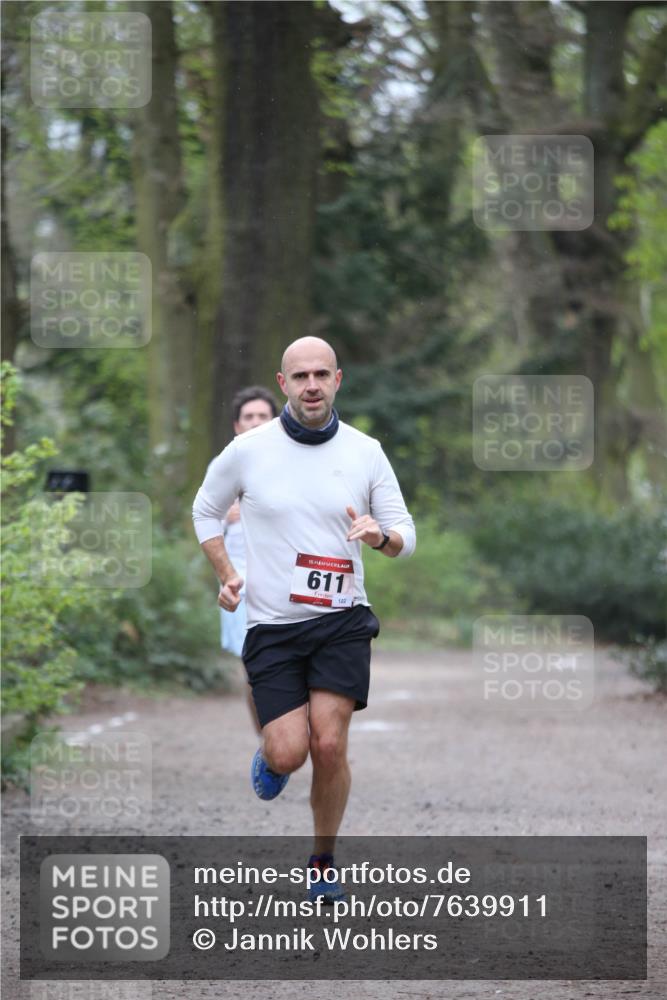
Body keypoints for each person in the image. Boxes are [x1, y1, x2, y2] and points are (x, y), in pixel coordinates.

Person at [192, 337, 415, 902]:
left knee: (330, 744)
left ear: (338, 379)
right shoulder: (249, 450)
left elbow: (405, 534)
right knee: (289, 751)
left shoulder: (366, 450)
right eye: (300, 376)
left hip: (342, 619)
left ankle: (322, 861)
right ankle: (271, 754)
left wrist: (380, 536)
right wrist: (226, 573)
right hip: (273, 625)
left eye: (321, 374)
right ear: (283, 382)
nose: (311, 385)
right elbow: (205, 509)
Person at [219, 387, 279, 733]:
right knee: (255, 668)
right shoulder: (224, 467)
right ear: (237, 426)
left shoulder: (294, 462)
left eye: (263, 416)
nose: (256, 422)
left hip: (285, 580)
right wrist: (224, 518)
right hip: (239, 580)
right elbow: (201, 520)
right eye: (249, 417)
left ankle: (289, 734)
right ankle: (268, 741)